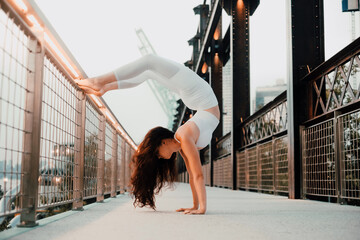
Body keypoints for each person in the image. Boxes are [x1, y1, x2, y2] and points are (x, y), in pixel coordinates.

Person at [75, 54, 220, 215]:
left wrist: (202, 208)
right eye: (157, 154)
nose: (159, 157)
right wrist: (195, 206)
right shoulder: (183, 143)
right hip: (198, 99)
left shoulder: (184, 137)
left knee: (150, 61)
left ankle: (100, 82)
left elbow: (198, 175)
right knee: (149, 72)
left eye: (156, 154)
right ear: (163, 142)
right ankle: (105, 87)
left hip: (198, 93)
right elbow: (194, 176)